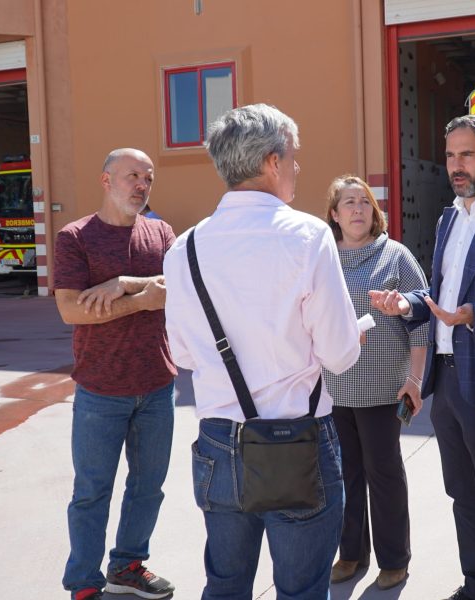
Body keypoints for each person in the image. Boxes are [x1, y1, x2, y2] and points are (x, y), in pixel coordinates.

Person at [162, 104, 361, 599]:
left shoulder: (183, 248)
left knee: (225, 587)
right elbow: (338, 355)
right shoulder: (309, 235)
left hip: (219, 442)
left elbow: (184, 354)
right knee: (301, 589)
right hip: (297, 442)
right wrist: (348, 335)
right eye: (293, 158)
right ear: (272, 162)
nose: (297, 169)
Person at [370, 114, 475, 600]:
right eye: (450, 155)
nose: (456, 165)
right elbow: (441, 294)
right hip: (447, 386)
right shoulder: (450, 216)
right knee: (464, 498)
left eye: (467, 154)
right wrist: (408, 303)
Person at [53, 148, 178, 600]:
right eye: (132, 176)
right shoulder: (75, 237)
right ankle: (84, 583)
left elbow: (176, 288)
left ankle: (127, 565)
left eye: (148, 178)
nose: (142, 185)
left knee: (148, 488)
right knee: (91, 492)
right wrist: (144, 297)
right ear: (106, 181)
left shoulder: (160, 232)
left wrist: (123, 284)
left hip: (157, 386)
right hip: (100, 389)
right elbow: (71, 310)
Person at [322, 175, 428, 590]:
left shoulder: (395, 256)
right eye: (348, 203)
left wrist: (414, 379)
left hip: (385, 389)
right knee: (343, 475)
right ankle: (350, 554)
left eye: (364, 202)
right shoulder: (324, 257)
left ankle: (394, 558)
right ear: (334, 214)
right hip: (334, 389)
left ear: (374, 211)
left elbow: (421, 319)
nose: (358, 210)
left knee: (383, 473)